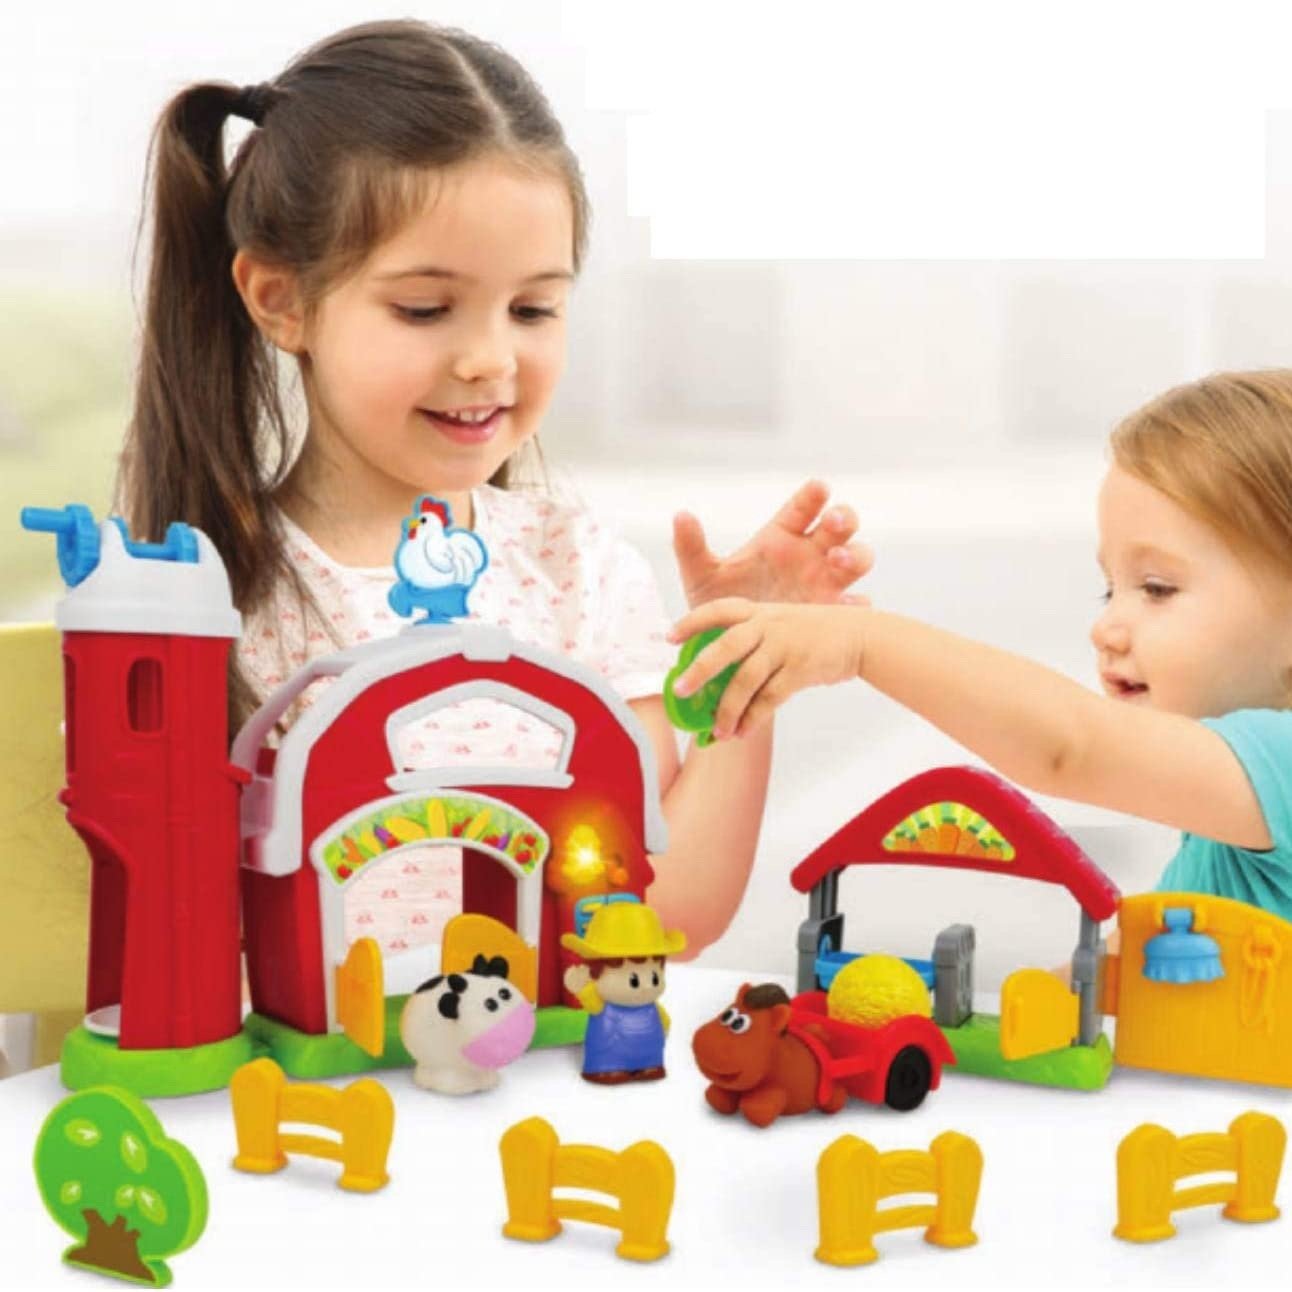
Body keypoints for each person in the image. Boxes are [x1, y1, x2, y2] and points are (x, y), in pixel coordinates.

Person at [115, 19, 871, 958]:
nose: (489, 358)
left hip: (547, 1053)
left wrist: (737, 677)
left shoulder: (577, 572)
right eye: (425, 309)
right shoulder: (207, 593)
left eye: (533, 308)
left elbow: (661, 913)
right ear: (282, 300)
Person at [670, 370, 1292, 922]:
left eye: (1157, 588)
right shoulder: (1220, 825)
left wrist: (859, 642)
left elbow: (1070, 746)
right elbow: (1138, 974)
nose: (1106, 628)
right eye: (1110, 590)